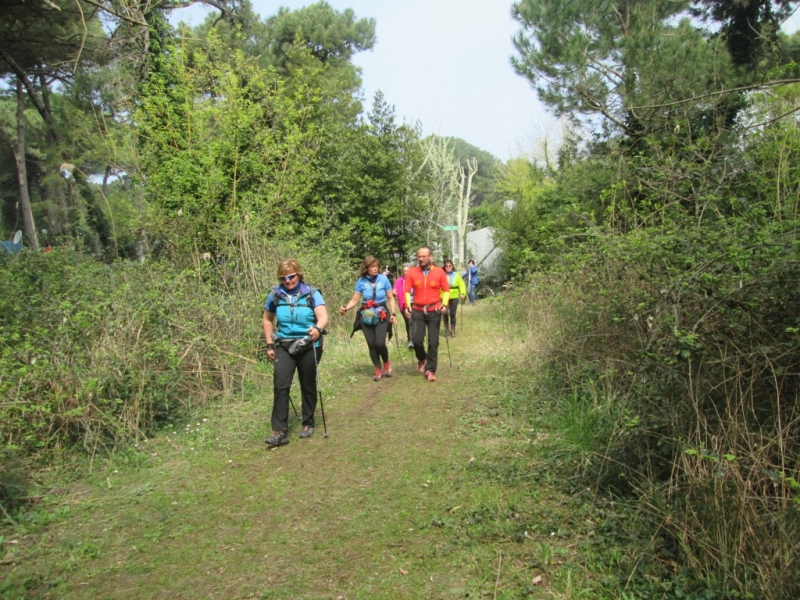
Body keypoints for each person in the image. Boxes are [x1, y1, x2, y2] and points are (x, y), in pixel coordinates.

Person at [262, 259, 329, 447]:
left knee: (307, 383)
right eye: (283, 278)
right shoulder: (275, 294)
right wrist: (269, 344)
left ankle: (308, 423)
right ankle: (279, 431)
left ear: (298, 274)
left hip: (309, 344)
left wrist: (317, 328)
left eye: (291, 276)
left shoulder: (312, 294)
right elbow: (267, 319)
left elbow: (323, 316)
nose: (288, 281)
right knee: (280, 383)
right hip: (284, 345)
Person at [340, 256, 398, 381]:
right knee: (371, 344)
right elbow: (355, 300)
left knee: (380, 343)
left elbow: (391, 298)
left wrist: (393, 313)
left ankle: (386, 363)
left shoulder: (384, 279)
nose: (375, 269)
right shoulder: (361, 281)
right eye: (371, 267)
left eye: (376, 266)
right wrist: (345, 308)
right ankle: (378, 369)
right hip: (366, 315)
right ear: (366, 268)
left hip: (381, 314)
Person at [403, 246, 450, 382]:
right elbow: (406, 291)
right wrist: (407, 306)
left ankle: (430, 370)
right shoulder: (412, 272)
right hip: (417, 310)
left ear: (431, 257)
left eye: (424, 256)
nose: (421, 259)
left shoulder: (440, 272)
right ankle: (422, 358)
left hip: (434, 310)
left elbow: (446, 290)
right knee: (416, 340)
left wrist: (444, 305)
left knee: (433, 341)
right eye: (419, 256)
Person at [441, 259, 466, 337]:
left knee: (452, 314)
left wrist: (462, 293)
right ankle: (446, 328)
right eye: (446, 266)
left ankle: (453, 330)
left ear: (452, 266)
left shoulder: (456, 275)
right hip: (444, 296)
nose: (448, 267)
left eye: (450, 266)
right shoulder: (441, 275)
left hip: (454, 296)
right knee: (444, 313)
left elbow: (462, 284)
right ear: (444, 267)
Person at [393, 263, 414, 348]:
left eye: (407, 270)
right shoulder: (399, 280)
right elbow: (394, 288)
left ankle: (416, 339)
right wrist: (394, 291)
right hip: (404, 304)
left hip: (414, 303)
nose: (406, 272)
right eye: (404, 271)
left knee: (415, 322)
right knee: (408, 322)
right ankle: (410, 340)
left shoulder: (414, 279)